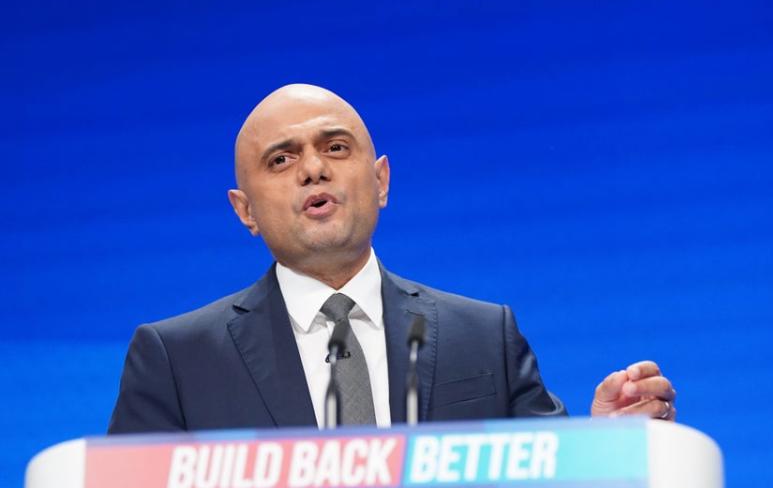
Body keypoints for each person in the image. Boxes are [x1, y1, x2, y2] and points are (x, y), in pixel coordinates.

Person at [108, 84, 676, 434]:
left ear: (380, 181)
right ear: (245, 211)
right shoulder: (177, 360)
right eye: (281, 160)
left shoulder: (483, 336)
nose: (313, 169)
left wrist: (606, 446)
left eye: (335, 148)